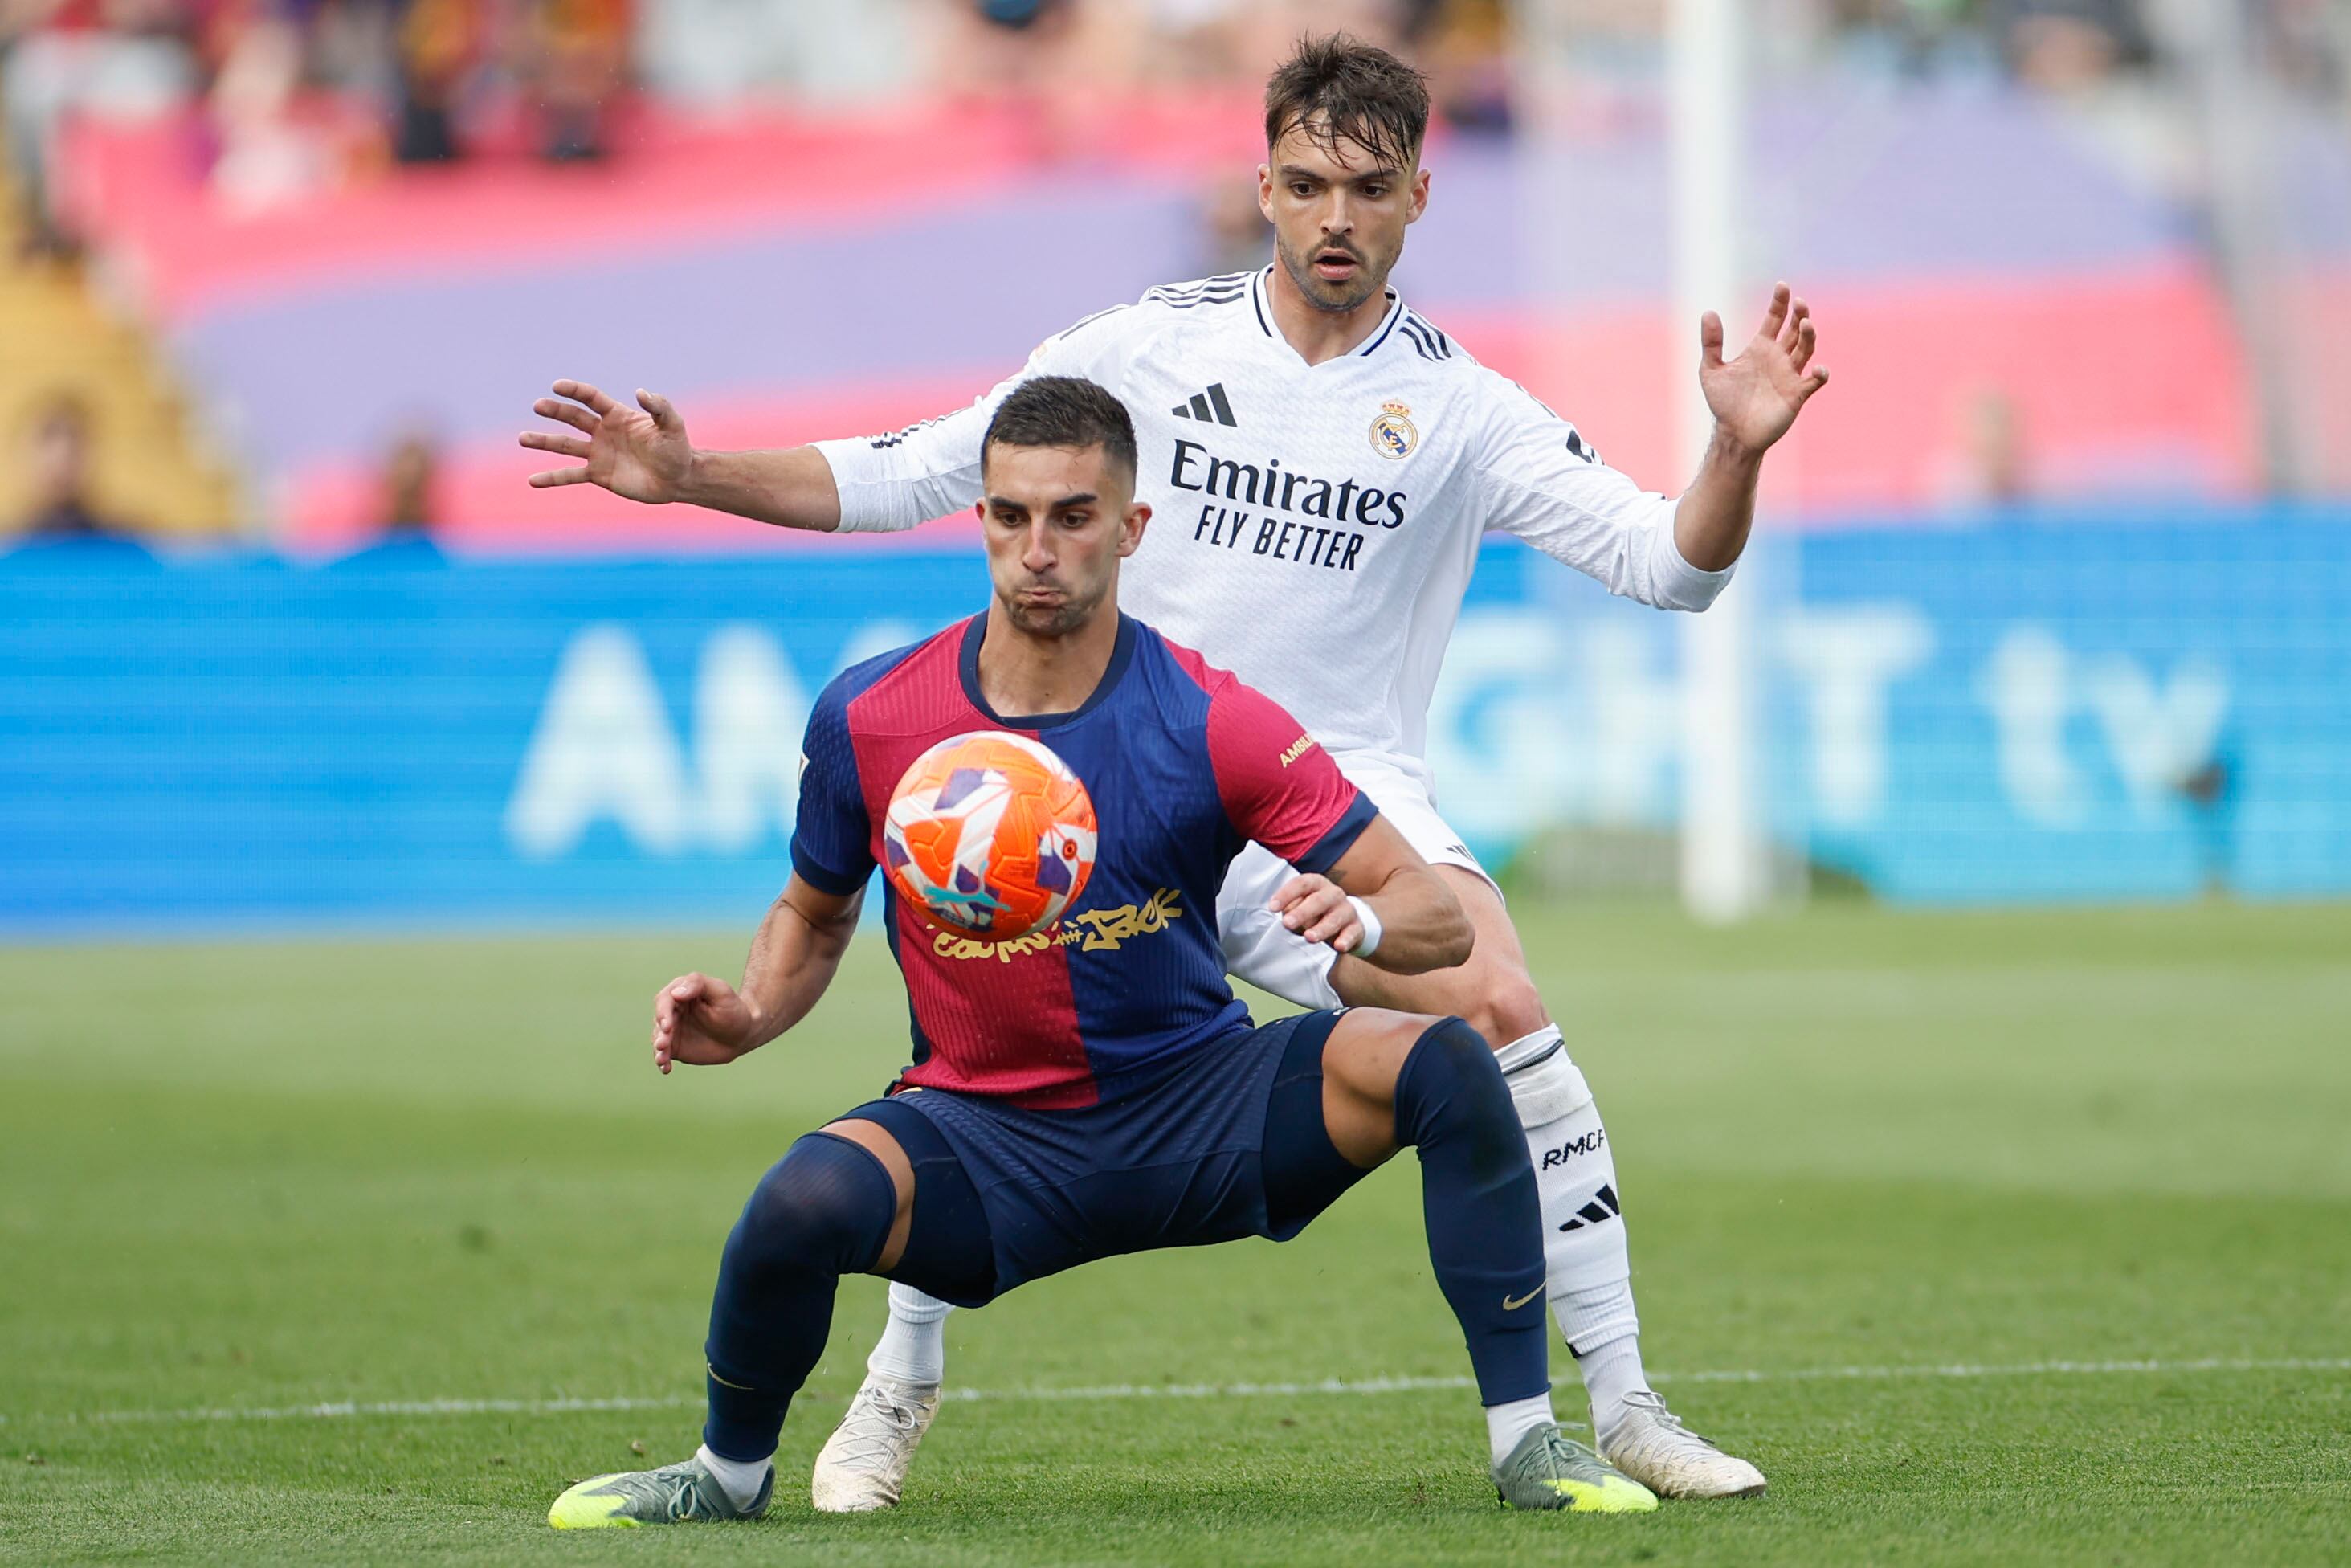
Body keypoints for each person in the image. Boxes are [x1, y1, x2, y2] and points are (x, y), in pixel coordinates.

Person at [520, 34, 1828, 1505]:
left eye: (1371, 189)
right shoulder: (1142, 347)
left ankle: (1625, 1403)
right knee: (991, 1064)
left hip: (1319, 812)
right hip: (1116, 787)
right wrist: (690, 475)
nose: (1338, 217)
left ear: (1417, 202)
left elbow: (1673, 569)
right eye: (1311, 183)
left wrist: (1736, 451)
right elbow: (918, 468)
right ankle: (897, 1384)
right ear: (1262, 185)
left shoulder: (1463, 410)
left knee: (1502, 1003)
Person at [545, 376, 1662, 1527]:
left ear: (1130, 530)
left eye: (1073, 517)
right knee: (794, 1205)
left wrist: (1367, 921)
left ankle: (1531, 1445)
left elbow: (1437, 916)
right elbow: (815, 911)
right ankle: (727, 1479)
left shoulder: (1213, 720)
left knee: (1443, 1062)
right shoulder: (872, 714)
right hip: (987, 1143)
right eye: (1010, 516)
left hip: (1201, 1113)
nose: (1038, 549)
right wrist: (751, 1014)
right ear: (978, 517)